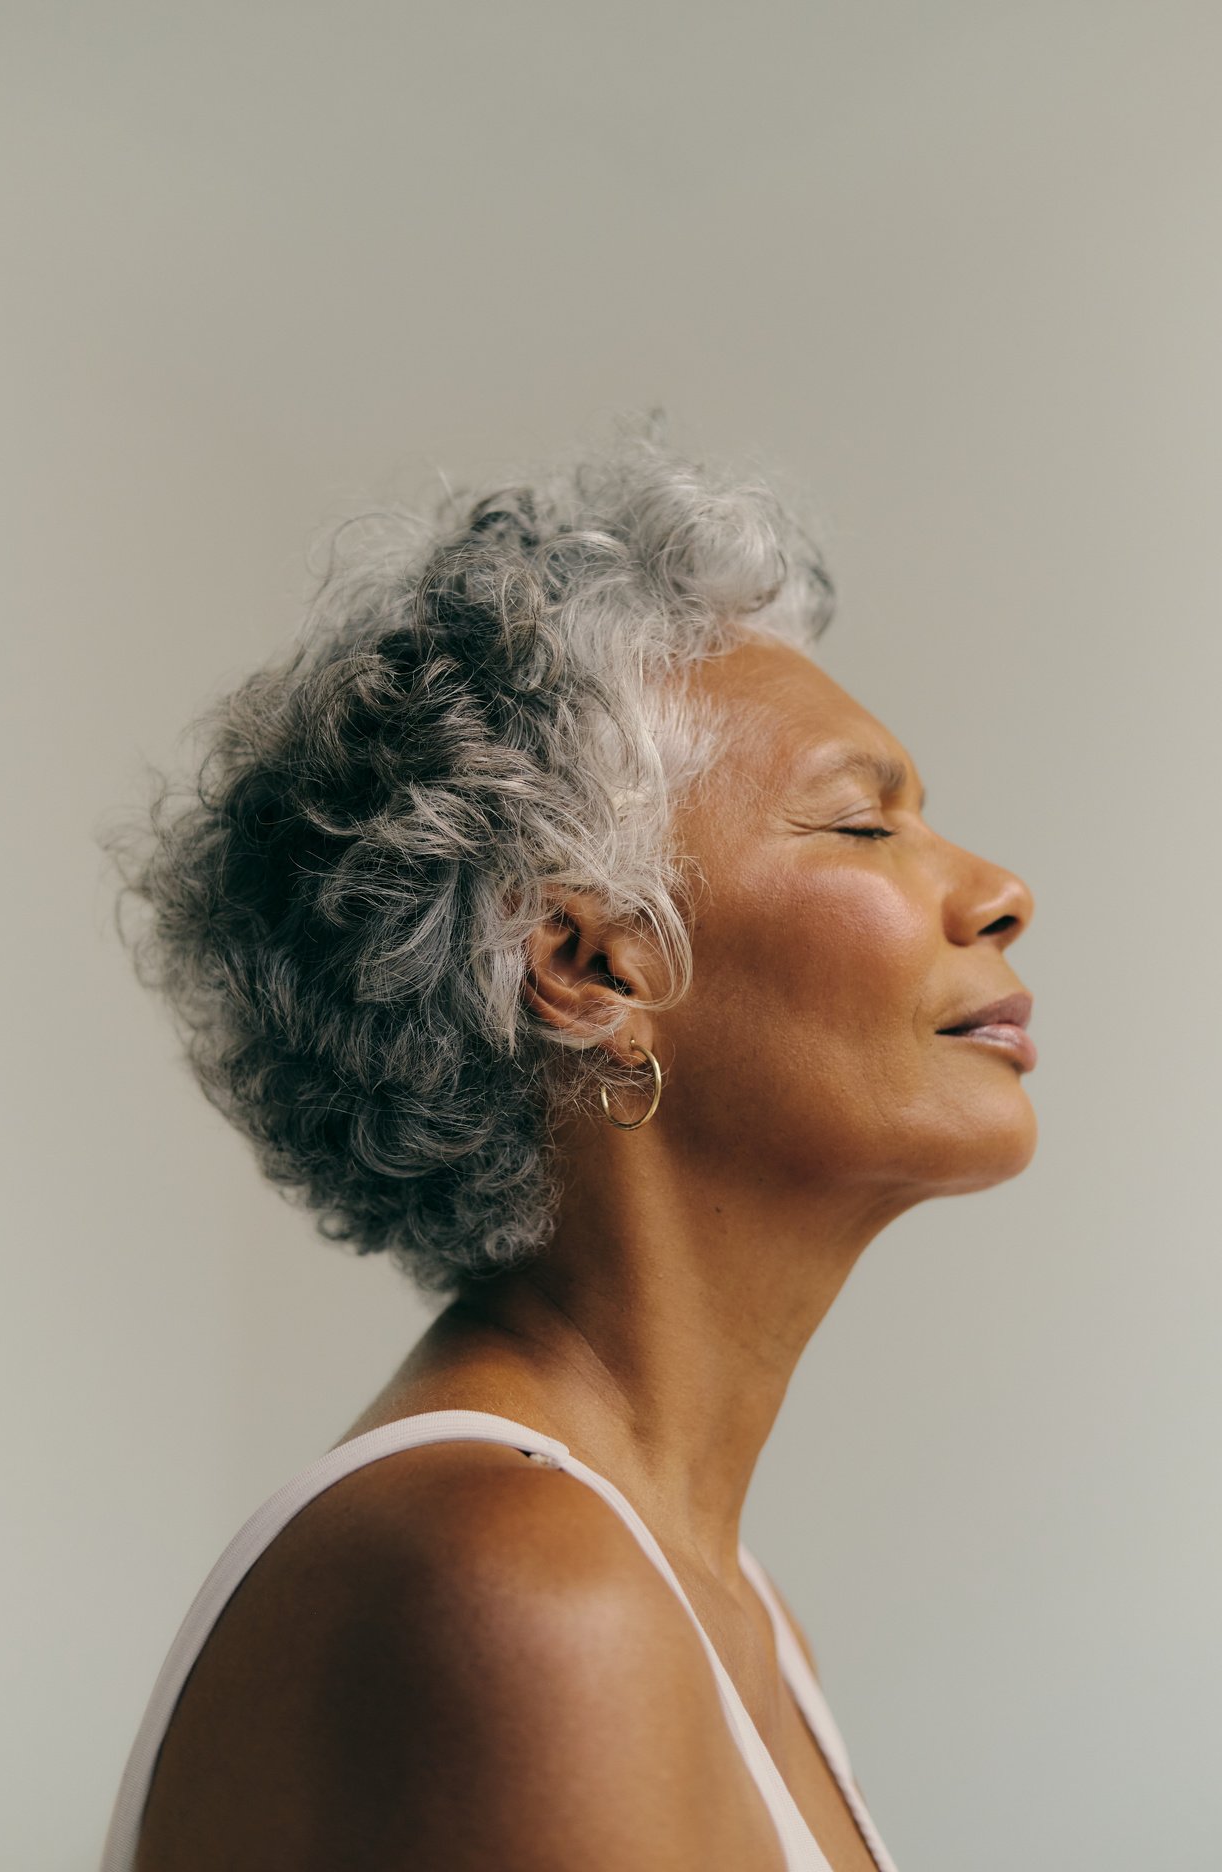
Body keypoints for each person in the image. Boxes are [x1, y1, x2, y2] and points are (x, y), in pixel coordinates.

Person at [99, 419, 1036, 1871]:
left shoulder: (728, 1614)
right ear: (589, 967)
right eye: (863, 824)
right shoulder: (521, 1585)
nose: (997, 890)